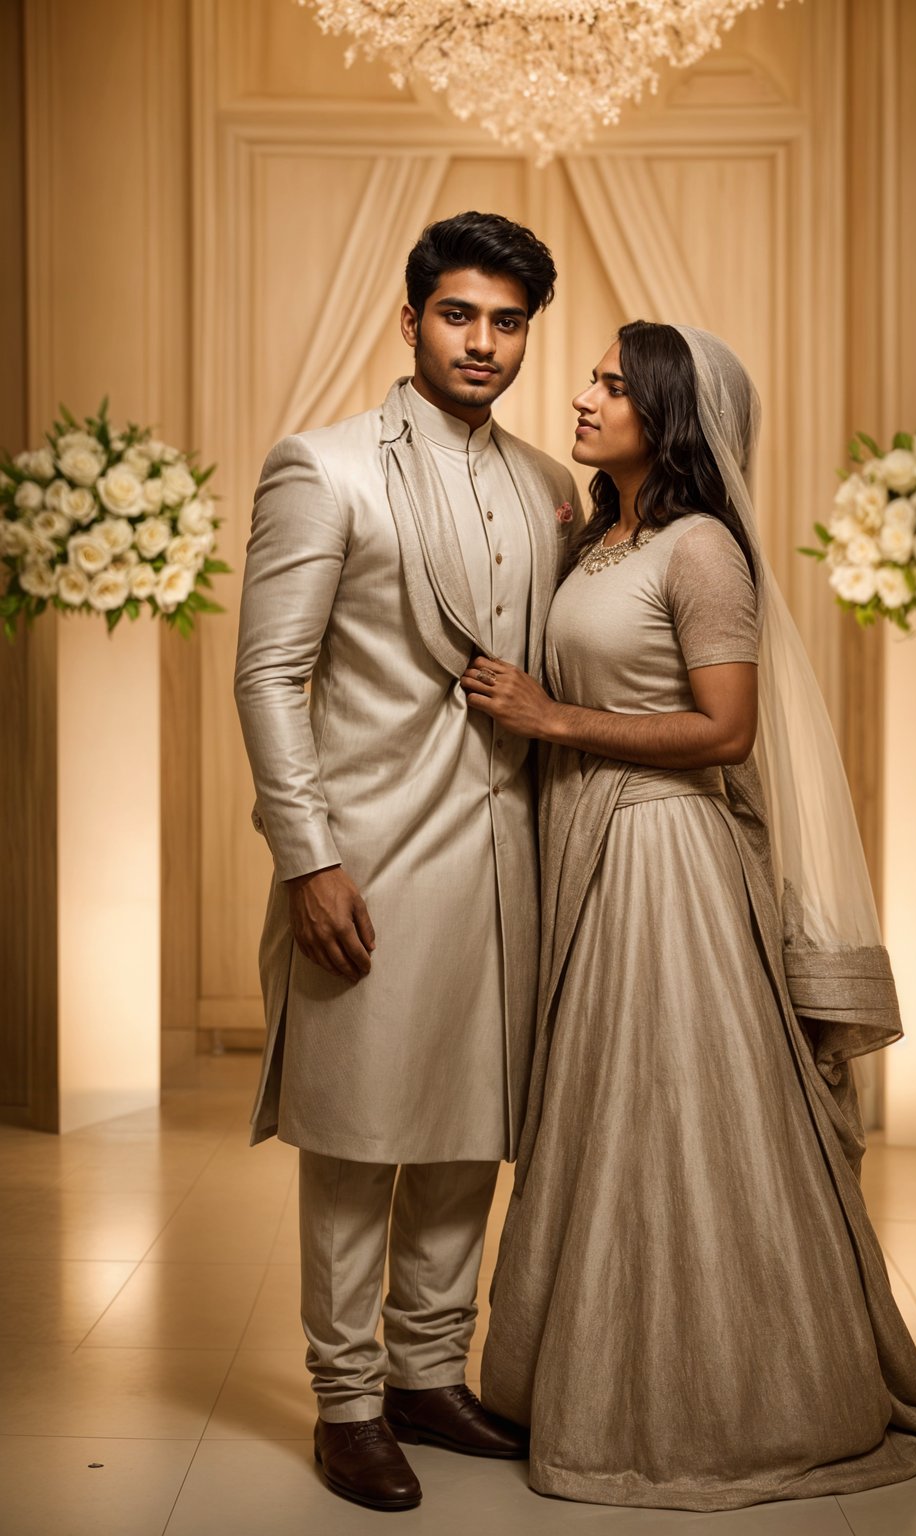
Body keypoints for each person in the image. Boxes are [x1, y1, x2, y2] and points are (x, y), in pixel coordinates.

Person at [465, 321, 916, 1511]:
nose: (587, 395)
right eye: (594, 377)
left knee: (678, 1107)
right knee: (605, 1106)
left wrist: (554, 722)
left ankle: (733, 1396)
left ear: (670, 418)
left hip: (667, 858)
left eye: (614, 384)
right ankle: (589, 1372)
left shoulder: (701, 548)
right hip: (597, 852)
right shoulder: (604, 538)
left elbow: (725, 731)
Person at [233, 211, 581, 1514]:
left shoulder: (550, 480)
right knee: (358, 1135)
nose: (482, 342)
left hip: (506, 858)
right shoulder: (323, 469)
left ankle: (431, 1373)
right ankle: (345, 1400)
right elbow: (269, 673)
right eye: (459, 314)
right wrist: (307, 857)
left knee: (468, 1124)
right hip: (365, 862)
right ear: (410, 319)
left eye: (506, 322)